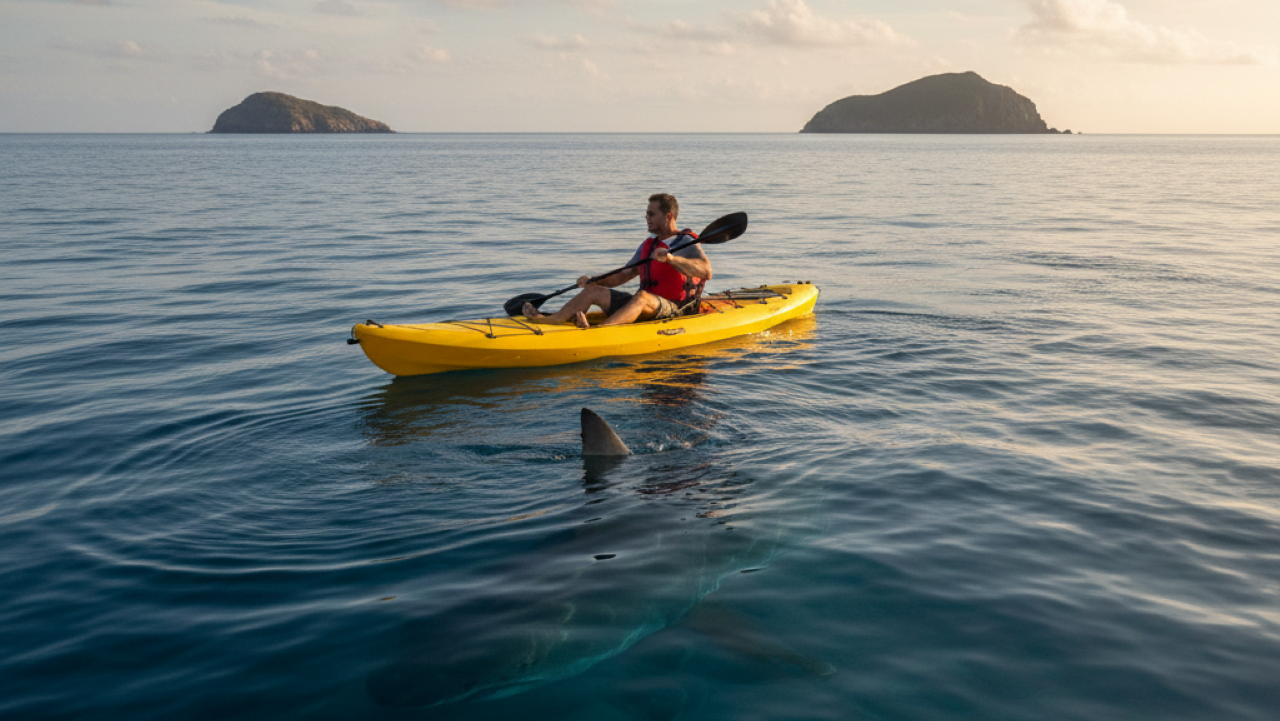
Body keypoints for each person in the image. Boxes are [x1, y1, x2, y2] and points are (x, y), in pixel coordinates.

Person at [524, 193, 712, 329]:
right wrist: (594, 280)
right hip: (648, 306)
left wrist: (672, 259)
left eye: (651, 214)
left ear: (668, 216)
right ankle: (554, 320)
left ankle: (601, 332)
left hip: (675, 308)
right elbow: (624, 274)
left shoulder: (686, 242)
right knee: (593, 291)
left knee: (642, 296)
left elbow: (706, 271)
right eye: (646, 214)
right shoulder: (649, 244)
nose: (646, 218)